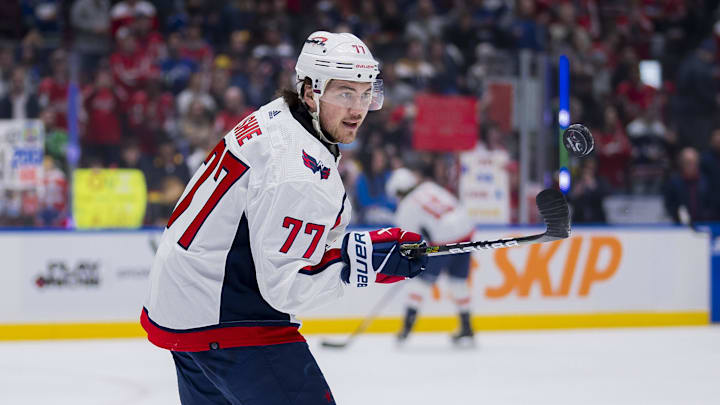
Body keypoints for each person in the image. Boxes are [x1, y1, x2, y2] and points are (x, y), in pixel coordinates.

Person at [141, 31, 428, 405]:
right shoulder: (298, 171)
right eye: (344, 93)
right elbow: (286, 285)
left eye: (365, 93)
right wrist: (366, 259)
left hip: (186, 299)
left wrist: (363, 250)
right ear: (310, 92)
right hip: (229, 316)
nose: (358, 108)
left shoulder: (279, 118)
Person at [386, 167, 476, 345]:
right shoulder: (429, 187)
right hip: (466, 231)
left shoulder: (405, 208)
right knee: (459, 282)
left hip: (443, 241)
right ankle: (467, 327)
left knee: (420, 283)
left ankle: (406, 328)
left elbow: (407, 241)